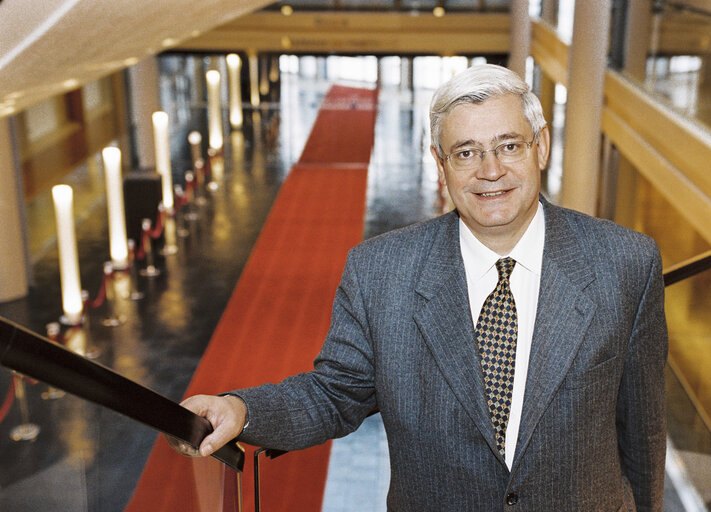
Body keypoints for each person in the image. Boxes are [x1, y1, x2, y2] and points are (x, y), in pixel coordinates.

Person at [170, 64, 668, 511]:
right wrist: (240, 410)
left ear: (541, 146)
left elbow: (642, 432)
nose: (490, 170)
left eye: (509, 145)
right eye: (466, 152)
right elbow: (334, 393)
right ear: (439, 162)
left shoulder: (625, 263)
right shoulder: (381, 271)